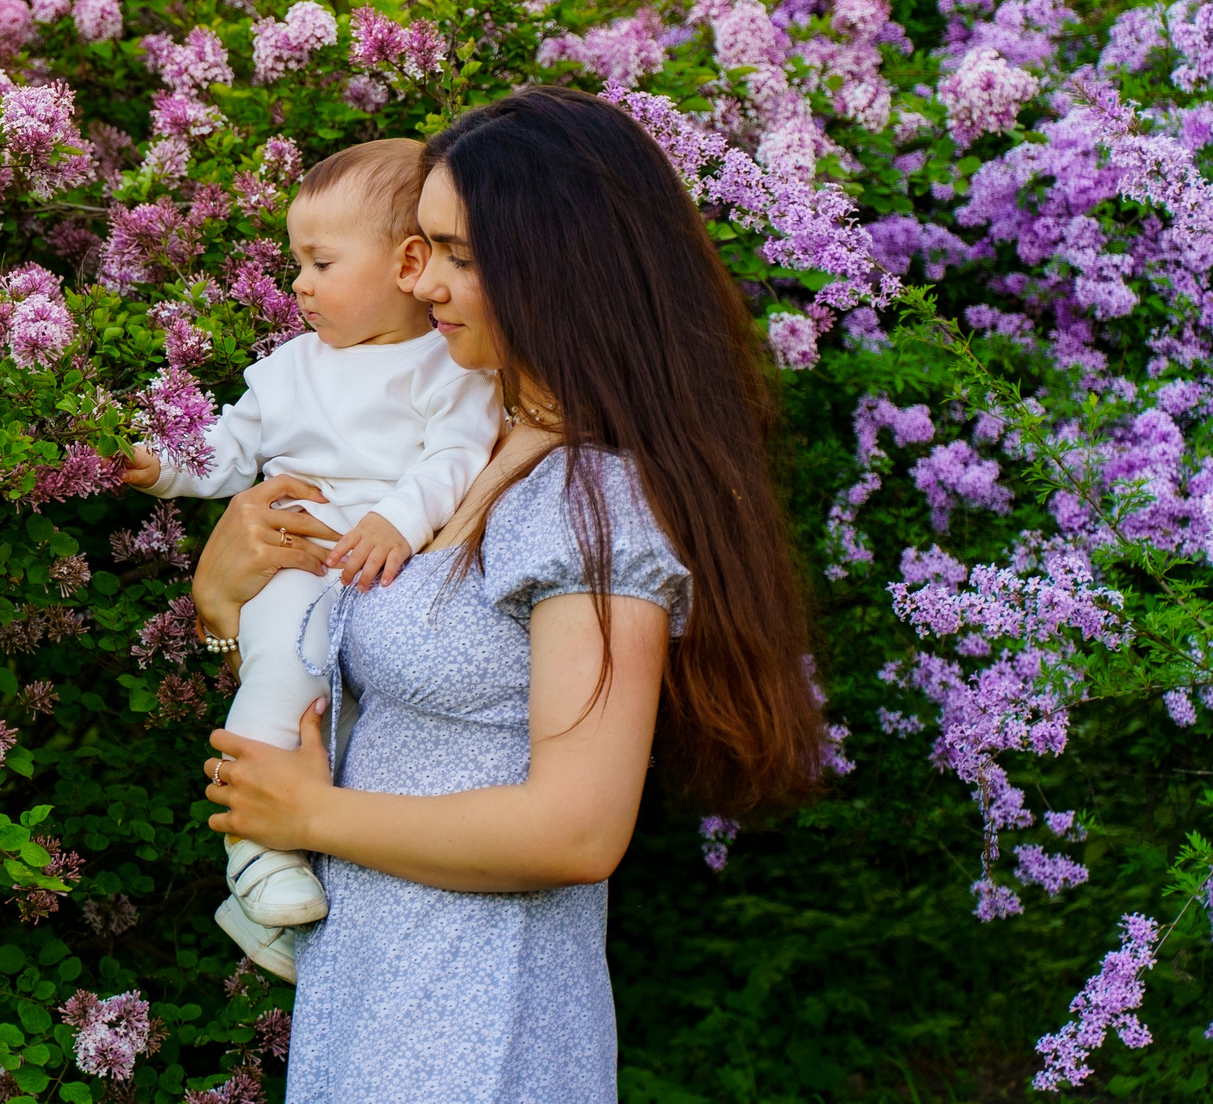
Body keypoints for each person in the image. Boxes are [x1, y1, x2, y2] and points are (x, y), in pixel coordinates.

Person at [190, 86, 822, 1102]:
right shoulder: (475, 448)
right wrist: (224, 605)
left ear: (555, 269)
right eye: (421, 247)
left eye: (458, 255)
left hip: (478, 1019)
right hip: (377, 993)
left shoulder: (594, 503)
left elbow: (576, 829)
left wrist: (314, 815)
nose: (422, 280)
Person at [117, 139, 499, 965]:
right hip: (297, 567)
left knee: (353, 737)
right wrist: (159, 463)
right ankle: (255, 847)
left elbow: (455, 457)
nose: (299, 282)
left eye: (321, 262)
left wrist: (396, 519)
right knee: (289, 671)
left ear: (407, 263)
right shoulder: (287, 368)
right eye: (298, 262)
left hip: (386, 571)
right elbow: (224, 450)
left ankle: (270, 913)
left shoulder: (449, 366)